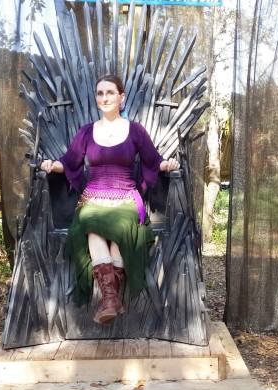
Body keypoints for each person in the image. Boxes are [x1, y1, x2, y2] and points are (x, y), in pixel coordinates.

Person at [40, 75, 179, 325]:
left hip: (126, 197)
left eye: (110, 93)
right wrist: (53, 165)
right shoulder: (87, 131)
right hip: (92, 198)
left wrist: (166, 164)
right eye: (100, 93)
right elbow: (69, 161)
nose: (104, 97)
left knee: (122, 231)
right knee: (90, 224)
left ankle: (109, 300)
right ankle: (112, 298)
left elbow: (154, 159)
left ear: (121, 97)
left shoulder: (135, 130)